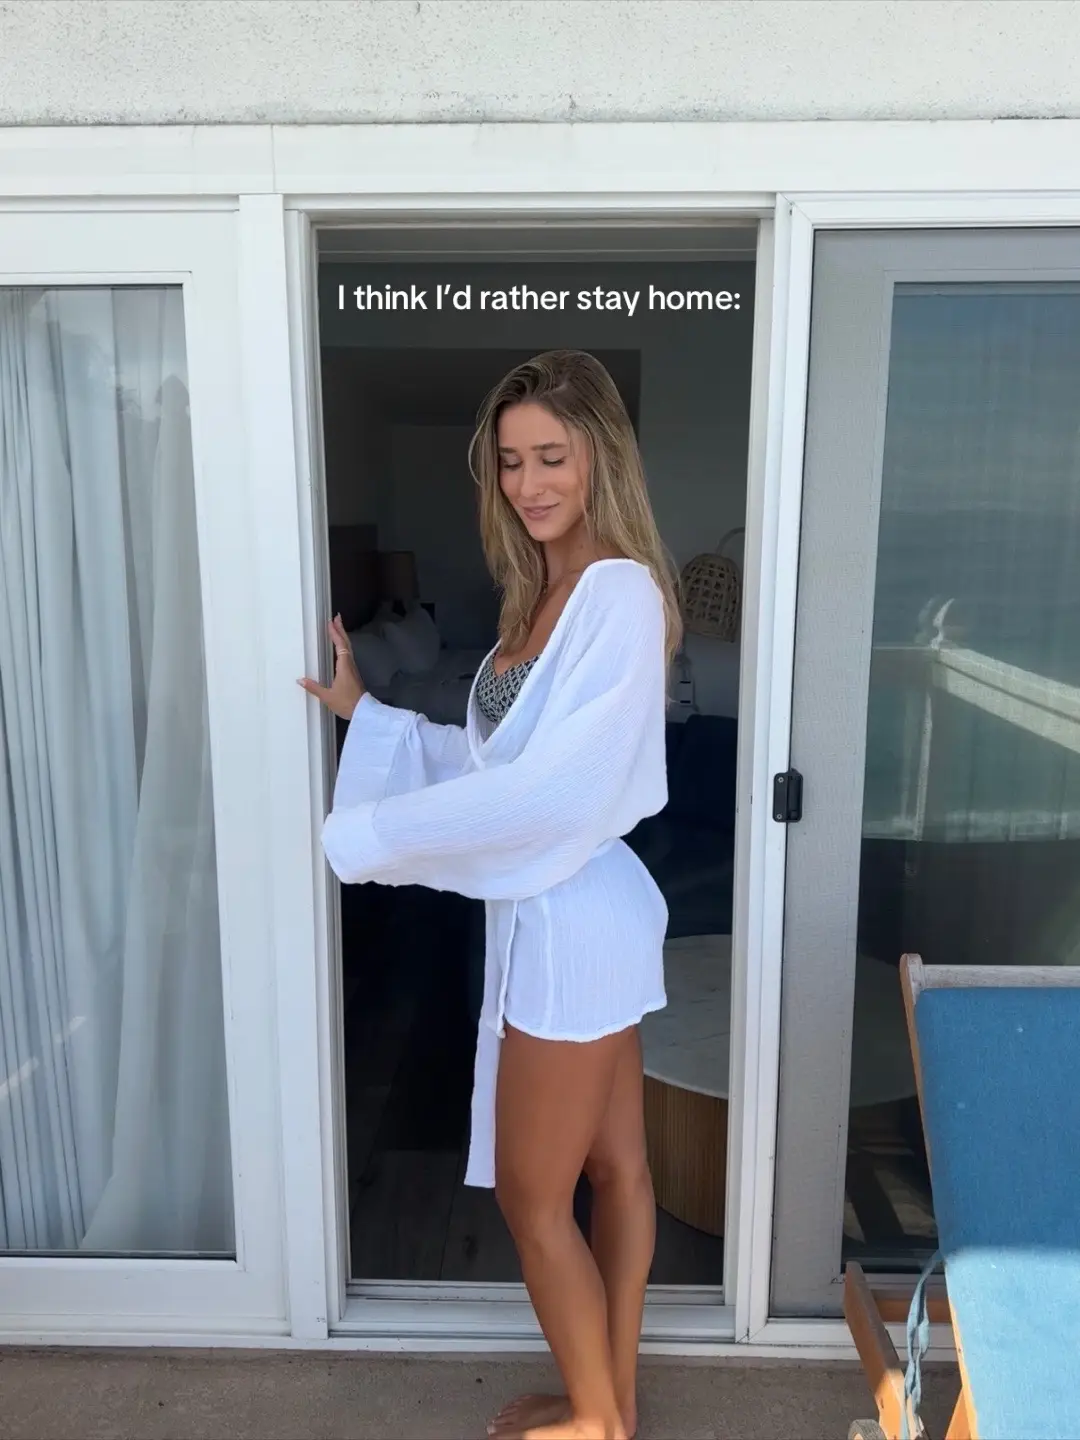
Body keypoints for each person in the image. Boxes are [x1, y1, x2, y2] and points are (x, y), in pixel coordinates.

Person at [301, 349, 681, 1440]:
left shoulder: (616, 592)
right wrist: (368, 716)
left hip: (572, 920)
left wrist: (368, 835)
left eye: (551, 456)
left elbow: (554, 792)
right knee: (615, 1168)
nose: (529, 483)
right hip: (577, 914)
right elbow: (492, 763)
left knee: (531, 1193)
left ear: (601, 458)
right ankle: (614, 1400)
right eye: (511, 462)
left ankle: (595, 1421)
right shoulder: (543, 595)